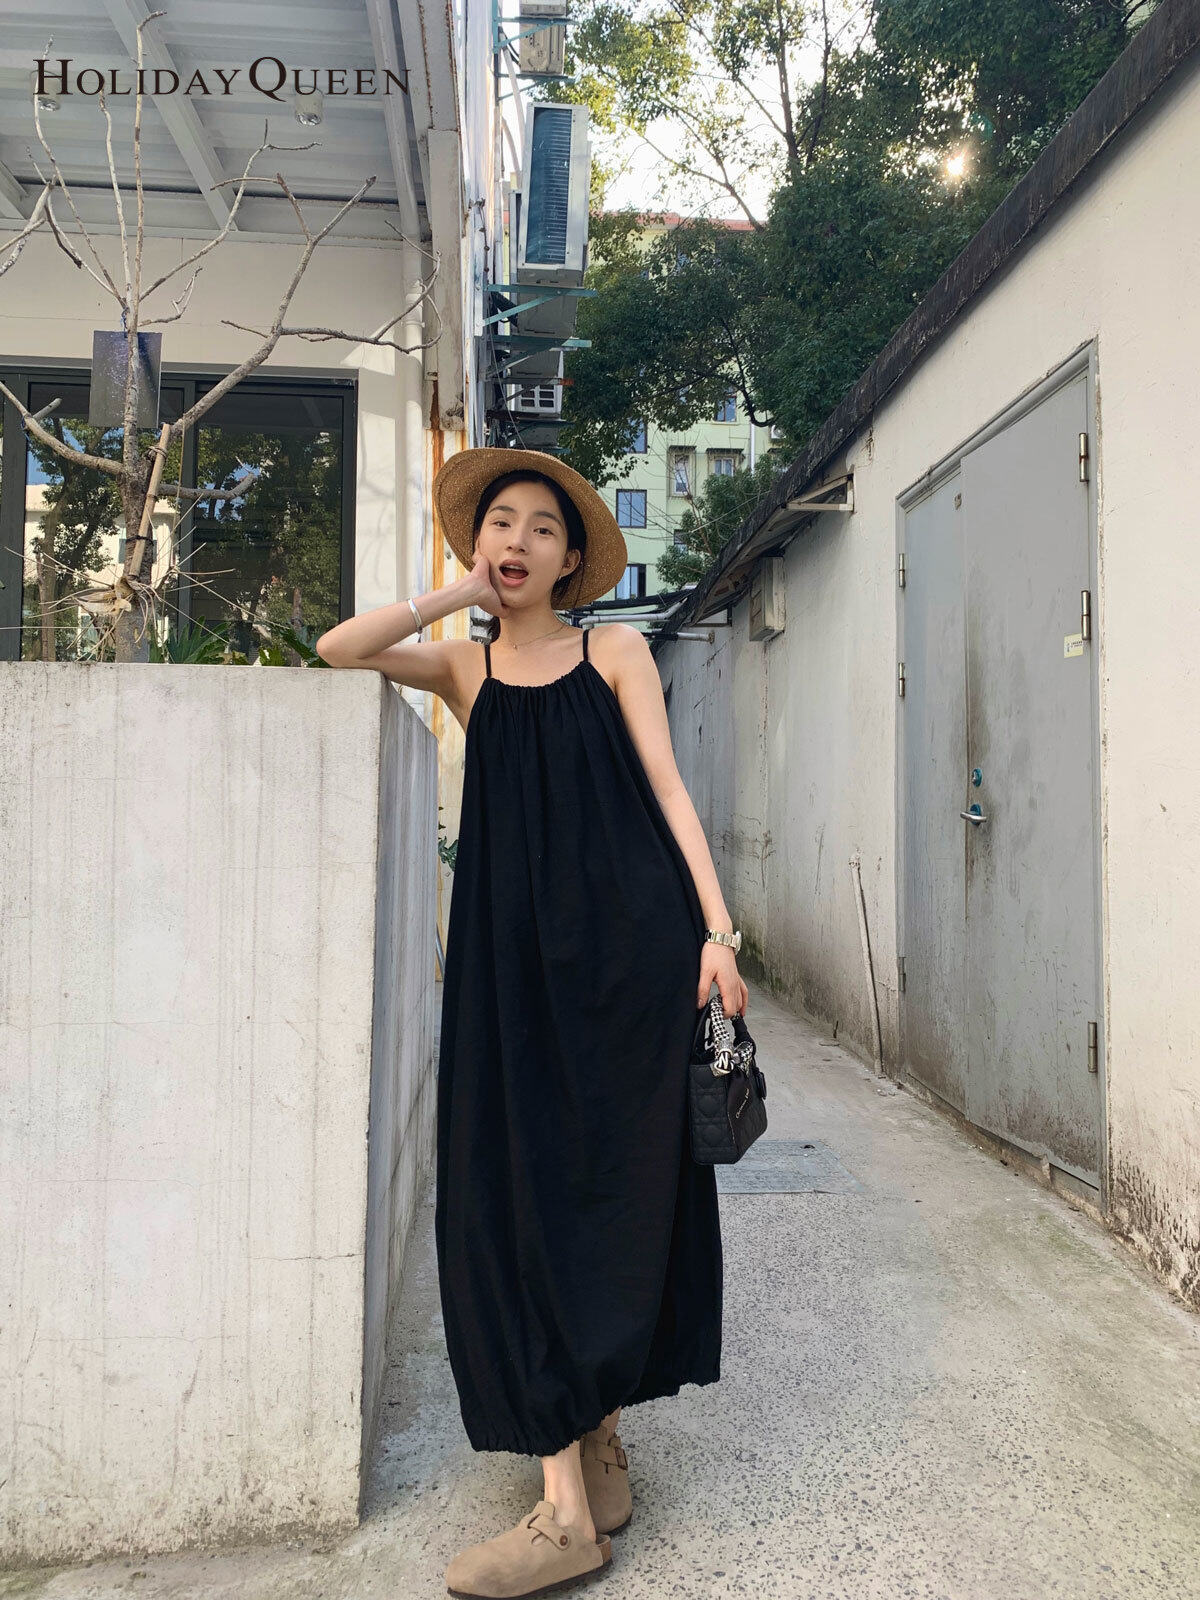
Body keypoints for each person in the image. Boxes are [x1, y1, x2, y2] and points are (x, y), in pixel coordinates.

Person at [317, 447, 747, 1599]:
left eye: (542, 528)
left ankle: (589, 1456)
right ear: (480, 545)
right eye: (500, 522)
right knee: (514, 1202)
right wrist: (453, 594)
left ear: (571, 559)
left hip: (631, 961)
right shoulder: (466, 667)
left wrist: (717, 932)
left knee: (616, 1193)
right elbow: (337, 647)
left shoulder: (615, 652)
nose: (517, 539)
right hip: (510, 975)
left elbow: (668, 790)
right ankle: (571, 1490)